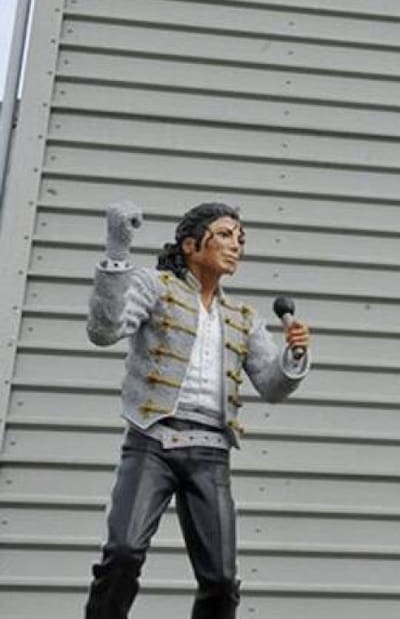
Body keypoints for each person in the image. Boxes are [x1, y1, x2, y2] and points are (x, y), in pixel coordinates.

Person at [83, 201, 312, 619]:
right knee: (123, 552)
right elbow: (104, 330)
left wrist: (293, 357)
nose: (235, 245)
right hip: (152, 440)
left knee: (222, 581)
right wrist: (118, 251)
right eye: (224, 234)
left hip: (210, 452)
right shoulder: (157, 288)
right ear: (191, 244)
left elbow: (272, 387)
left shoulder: (243, 318)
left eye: (240, 238)